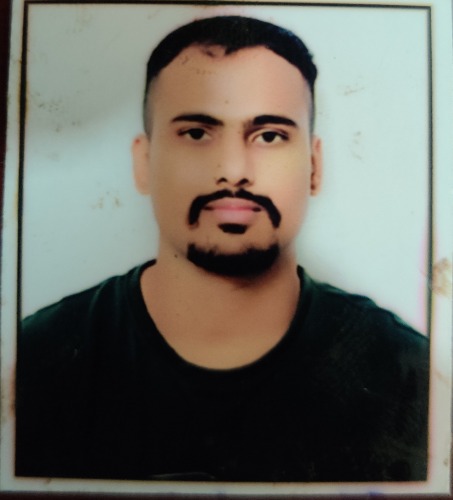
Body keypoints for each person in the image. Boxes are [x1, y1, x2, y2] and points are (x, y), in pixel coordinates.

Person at [16, 15, 429, 482]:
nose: (233, 170)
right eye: (197, 133)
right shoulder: (35, 364)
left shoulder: (407, 376)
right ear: (143, 162)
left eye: (269, 136)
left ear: (314, 167)